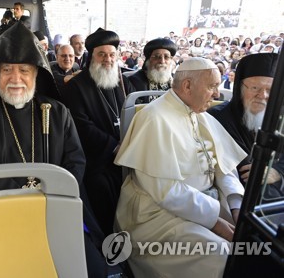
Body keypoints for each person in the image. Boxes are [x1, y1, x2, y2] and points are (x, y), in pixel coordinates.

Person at [0, 22, 123, 277]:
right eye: (7, 70)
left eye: (24, 70)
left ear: (37, 74)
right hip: (0, 214)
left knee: (88, 267)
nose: (16, 79)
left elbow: (75, 162)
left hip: (58, 209)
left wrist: (50, 199)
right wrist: (27, 203)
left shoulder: (56, 111)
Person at [115, 57, 246, 278]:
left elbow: (223, 167)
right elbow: (166, 192)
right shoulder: (153, 119)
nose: (217, 94)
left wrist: (235, 203)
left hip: (206, 202)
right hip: (158, 215)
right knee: (221, 254)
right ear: (187, 86)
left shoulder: (199, 114)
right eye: (212, 86)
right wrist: (216, 222)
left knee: (255, 238)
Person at [63, 28, 133, 235]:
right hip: (96, 158)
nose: (108, 59)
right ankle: (109, 238)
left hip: (127, 152)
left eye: (112, 54)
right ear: (91, 56)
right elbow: (80, 125)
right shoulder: (77, 86)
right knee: (101, 186)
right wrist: (113, 147)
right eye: (101, 54)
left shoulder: (123, 82)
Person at [209, 53, 283, 200]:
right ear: (240, 88)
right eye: (255, 88)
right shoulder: (217, 118)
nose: (262, 95)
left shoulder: (281, 118)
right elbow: (246, 175)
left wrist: (278, 174)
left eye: (270, 90)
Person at [127, 38, 176, 103]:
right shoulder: (134, 81)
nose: (162, 61)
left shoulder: (177, 80)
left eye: (166, 57)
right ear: (148, 60)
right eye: (156, 56)